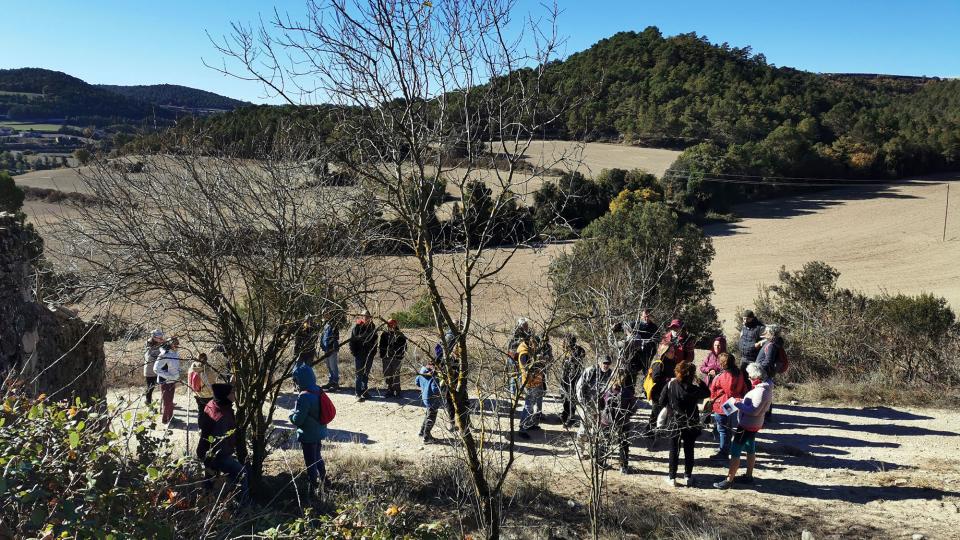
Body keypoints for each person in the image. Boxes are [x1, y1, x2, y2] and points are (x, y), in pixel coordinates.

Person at [714, 363, 774, 489]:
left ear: (757, 377)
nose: (749, 379)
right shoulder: (765, 388)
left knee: (735, 450)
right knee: (750, 448)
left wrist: (738, 404)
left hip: (747, 425)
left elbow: (753, 410)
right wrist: (742, 401)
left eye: (751, 377)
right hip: (754, 424)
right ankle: (748, 476)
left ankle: (729, 480)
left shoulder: (761, 391)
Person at [659, 361, 709, 487]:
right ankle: (688, 476)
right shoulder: (694, 389)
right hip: (691, 422)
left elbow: (661, 401)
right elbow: (707, 393)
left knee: (673, 450)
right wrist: (700, 381)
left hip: (674, 421)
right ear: (691, 375)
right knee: (689, 449)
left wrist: (669, 408)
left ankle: (672, 478)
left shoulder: (670, 384)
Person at [197, 383, 248, 501]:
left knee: (209, 481)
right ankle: (243, 507)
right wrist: (228, 454)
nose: (235, 395)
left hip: (205, 451)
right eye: (232, 393)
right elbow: (219, 444)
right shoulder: (221, 416)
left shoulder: (212, 404)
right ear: (225, 396)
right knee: (242, 473)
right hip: (215, 455)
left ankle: (205, 502)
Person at [290, 362, 328, 496]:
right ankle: (324, 479)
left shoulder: (304, 396)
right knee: (317, 457)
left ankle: (313, 486)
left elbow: (298, 420)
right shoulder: (317, 390)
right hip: (319, 432)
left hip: (308, 435)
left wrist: (291, 415)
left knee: (310, 461)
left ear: (298, 380)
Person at [707, 352, 747, 460]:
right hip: (732, 403)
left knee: (723, 429)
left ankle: (723, 453)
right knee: (727, 427)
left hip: (724, 405)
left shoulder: (726, 376)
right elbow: (742, 388)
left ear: (723, 363)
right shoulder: (738, 373)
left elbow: (729, 391)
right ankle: (725, 448)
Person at [600, 369, 636, 474]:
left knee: (604, 441)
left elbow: (600, 404)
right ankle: (623, 466)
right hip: (623, 421)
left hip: (606, 420)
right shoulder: (628, 392)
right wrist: (627, 415)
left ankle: (600, 462)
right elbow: (633, 408)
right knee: (623, 443)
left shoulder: (606, 390)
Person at [575, 355, 614, 451]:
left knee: (597, 431)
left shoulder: (611, 374)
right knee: (584, 429)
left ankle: (593, 452)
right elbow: (580, 386)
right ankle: (580, 450)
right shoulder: (591, 371)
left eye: (608, 364)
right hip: (588, 405)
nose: (606, 365)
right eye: (604, 363)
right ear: (600, 362)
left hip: (602, 407)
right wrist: (582, 402)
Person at [644, 342, 677, 436]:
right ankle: (649, 432)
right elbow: (655, 378)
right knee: (655, 413)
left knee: (663, 413)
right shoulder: (659, 363)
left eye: (673, 351)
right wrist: (669, 379)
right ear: (665, 352)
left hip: (666, 392)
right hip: (657, 393)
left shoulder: (673, 362)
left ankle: (658, 431)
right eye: (670, 351)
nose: (673, 353)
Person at [517, 335, 546, 439]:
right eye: (535, 344)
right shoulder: (524, 353)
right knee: (528, 406)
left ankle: (528, 424)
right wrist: (539, 363)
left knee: (531, 404)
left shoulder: (530, 351)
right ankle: (522, 428)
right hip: (529, 383)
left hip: (535, 382)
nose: (536, 346)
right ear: (529, 342)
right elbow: (526, 370)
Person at [754, 324, 784, 421]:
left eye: (766, 332)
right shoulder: (771, 342)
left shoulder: (771, 345)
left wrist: (757, 370)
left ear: (771, 333)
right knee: (766, 394)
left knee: (763, 394)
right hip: (765, 373)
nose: (764, 333)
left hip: (763, 373)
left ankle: (765, 416)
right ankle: (765, 416)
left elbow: (768, 361)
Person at [348, 310, 378, 402]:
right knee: (359, 375)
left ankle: (364, 391)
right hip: (359, 355)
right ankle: (358, 393)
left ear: (370, 317)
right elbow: (351, 342)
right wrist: (355, 353)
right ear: (361, 317)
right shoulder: (357, 327)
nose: (366, 318)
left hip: (369, 355)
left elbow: (376, 340)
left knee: (366, 374)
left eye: (367, 316)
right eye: (364, 316)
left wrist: (373, 353)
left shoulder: (372, 327)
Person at [559, 335, 586, 427]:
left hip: (574, 378)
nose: (564, 344)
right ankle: (565, 414)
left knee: (571, 397)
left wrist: (573, 357)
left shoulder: (579, 350)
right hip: (566, 377)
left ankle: (571, 417)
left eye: (566, 342)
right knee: (565, 396)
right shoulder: (567, 351)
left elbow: (579, 360)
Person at [153, 337, 181, 424]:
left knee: (170, 401)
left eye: (177, 344)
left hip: (172, 381)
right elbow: (156, 369)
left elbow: (174, 366)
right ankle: (166, 421)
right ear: (170, 344)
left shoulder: (175, 353)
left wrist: (178, 372)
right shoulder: (164, 354)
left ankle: (171, 418)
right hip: (165, 382)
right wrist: (168, 376)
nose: (177, 345)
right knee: (167, 402)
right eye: (175, 344)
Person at [623, 309, 658, 377]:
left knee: (647, 372)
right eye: (644, 316)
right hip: (636, 352)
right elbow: (625, 326)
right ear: (641, 316)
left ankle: (645, 384)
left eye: (648, 316)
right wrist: (629, 334)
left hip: (647, 353)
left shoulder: (654, 327)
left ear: (650, 316)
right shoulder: (636, 324)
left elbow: (656, 339)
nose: (646, 318)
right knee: (631, 369)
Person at [415, 358, 443, 443]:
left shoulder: (421, 372)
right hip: (432, 400)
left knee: (428, 415)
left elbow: (417, 382)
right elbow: (435, 390)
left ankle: (421, 432)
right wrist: (441, 390)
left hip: (425, 397)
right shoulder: (433, 377)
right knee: (431, 417)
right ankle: (426, 437)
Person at [378, 319, 407, 398]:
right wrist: (383, 355)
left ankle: (397, 391)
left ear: (396, 325)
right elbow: (381, 346)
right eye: (389, 325)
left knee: (396, 375)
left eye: (392, 325)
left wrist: (399, 355)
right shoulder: (384, 334)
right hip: (386, 358)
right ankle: (389, 390)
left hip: (396, 359)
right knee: (387, 374)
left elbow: (404, 347)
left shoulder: (400, 334)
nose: (391, 326)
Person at [505, 318, 531, 398]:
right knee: (515, 374)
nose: (527, 326)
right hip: (514, 356)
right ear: (520, 325)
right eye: (525, 325)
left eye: (527, 325)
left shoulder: (527, 333)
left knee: (522, 374)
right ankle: (513, 394)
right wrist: (520, 341)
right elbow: (511, 344)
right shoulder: (515, 333)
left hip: (523, 356)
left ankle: (518, 393)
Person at [320, 313, 341, 390]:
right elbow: (323, 336)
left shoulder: (333, 324)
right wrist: (322, 345)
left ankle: (335, 383)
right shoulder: (325, 324)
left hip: (332, 348)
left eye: (326, 314)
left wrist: (330, 346)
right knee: (329, 366)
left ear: (330, 314)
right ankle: (331, 381)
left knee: (333, 366)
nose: (324, 316)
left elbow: (336, 336)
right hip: (326, 349)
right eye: (323, 314)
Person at [143, 329, 164, 405]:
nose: (161, 339)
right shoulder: (149, 345)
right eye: (160, 338)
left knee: (165, 385)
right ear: (154, 337)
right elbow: (149, 357)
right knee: (150, 387)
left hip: (158, 369)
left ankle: (166, 402)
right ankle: (148, 402)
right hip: (150, 369)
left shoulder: (159, 343)